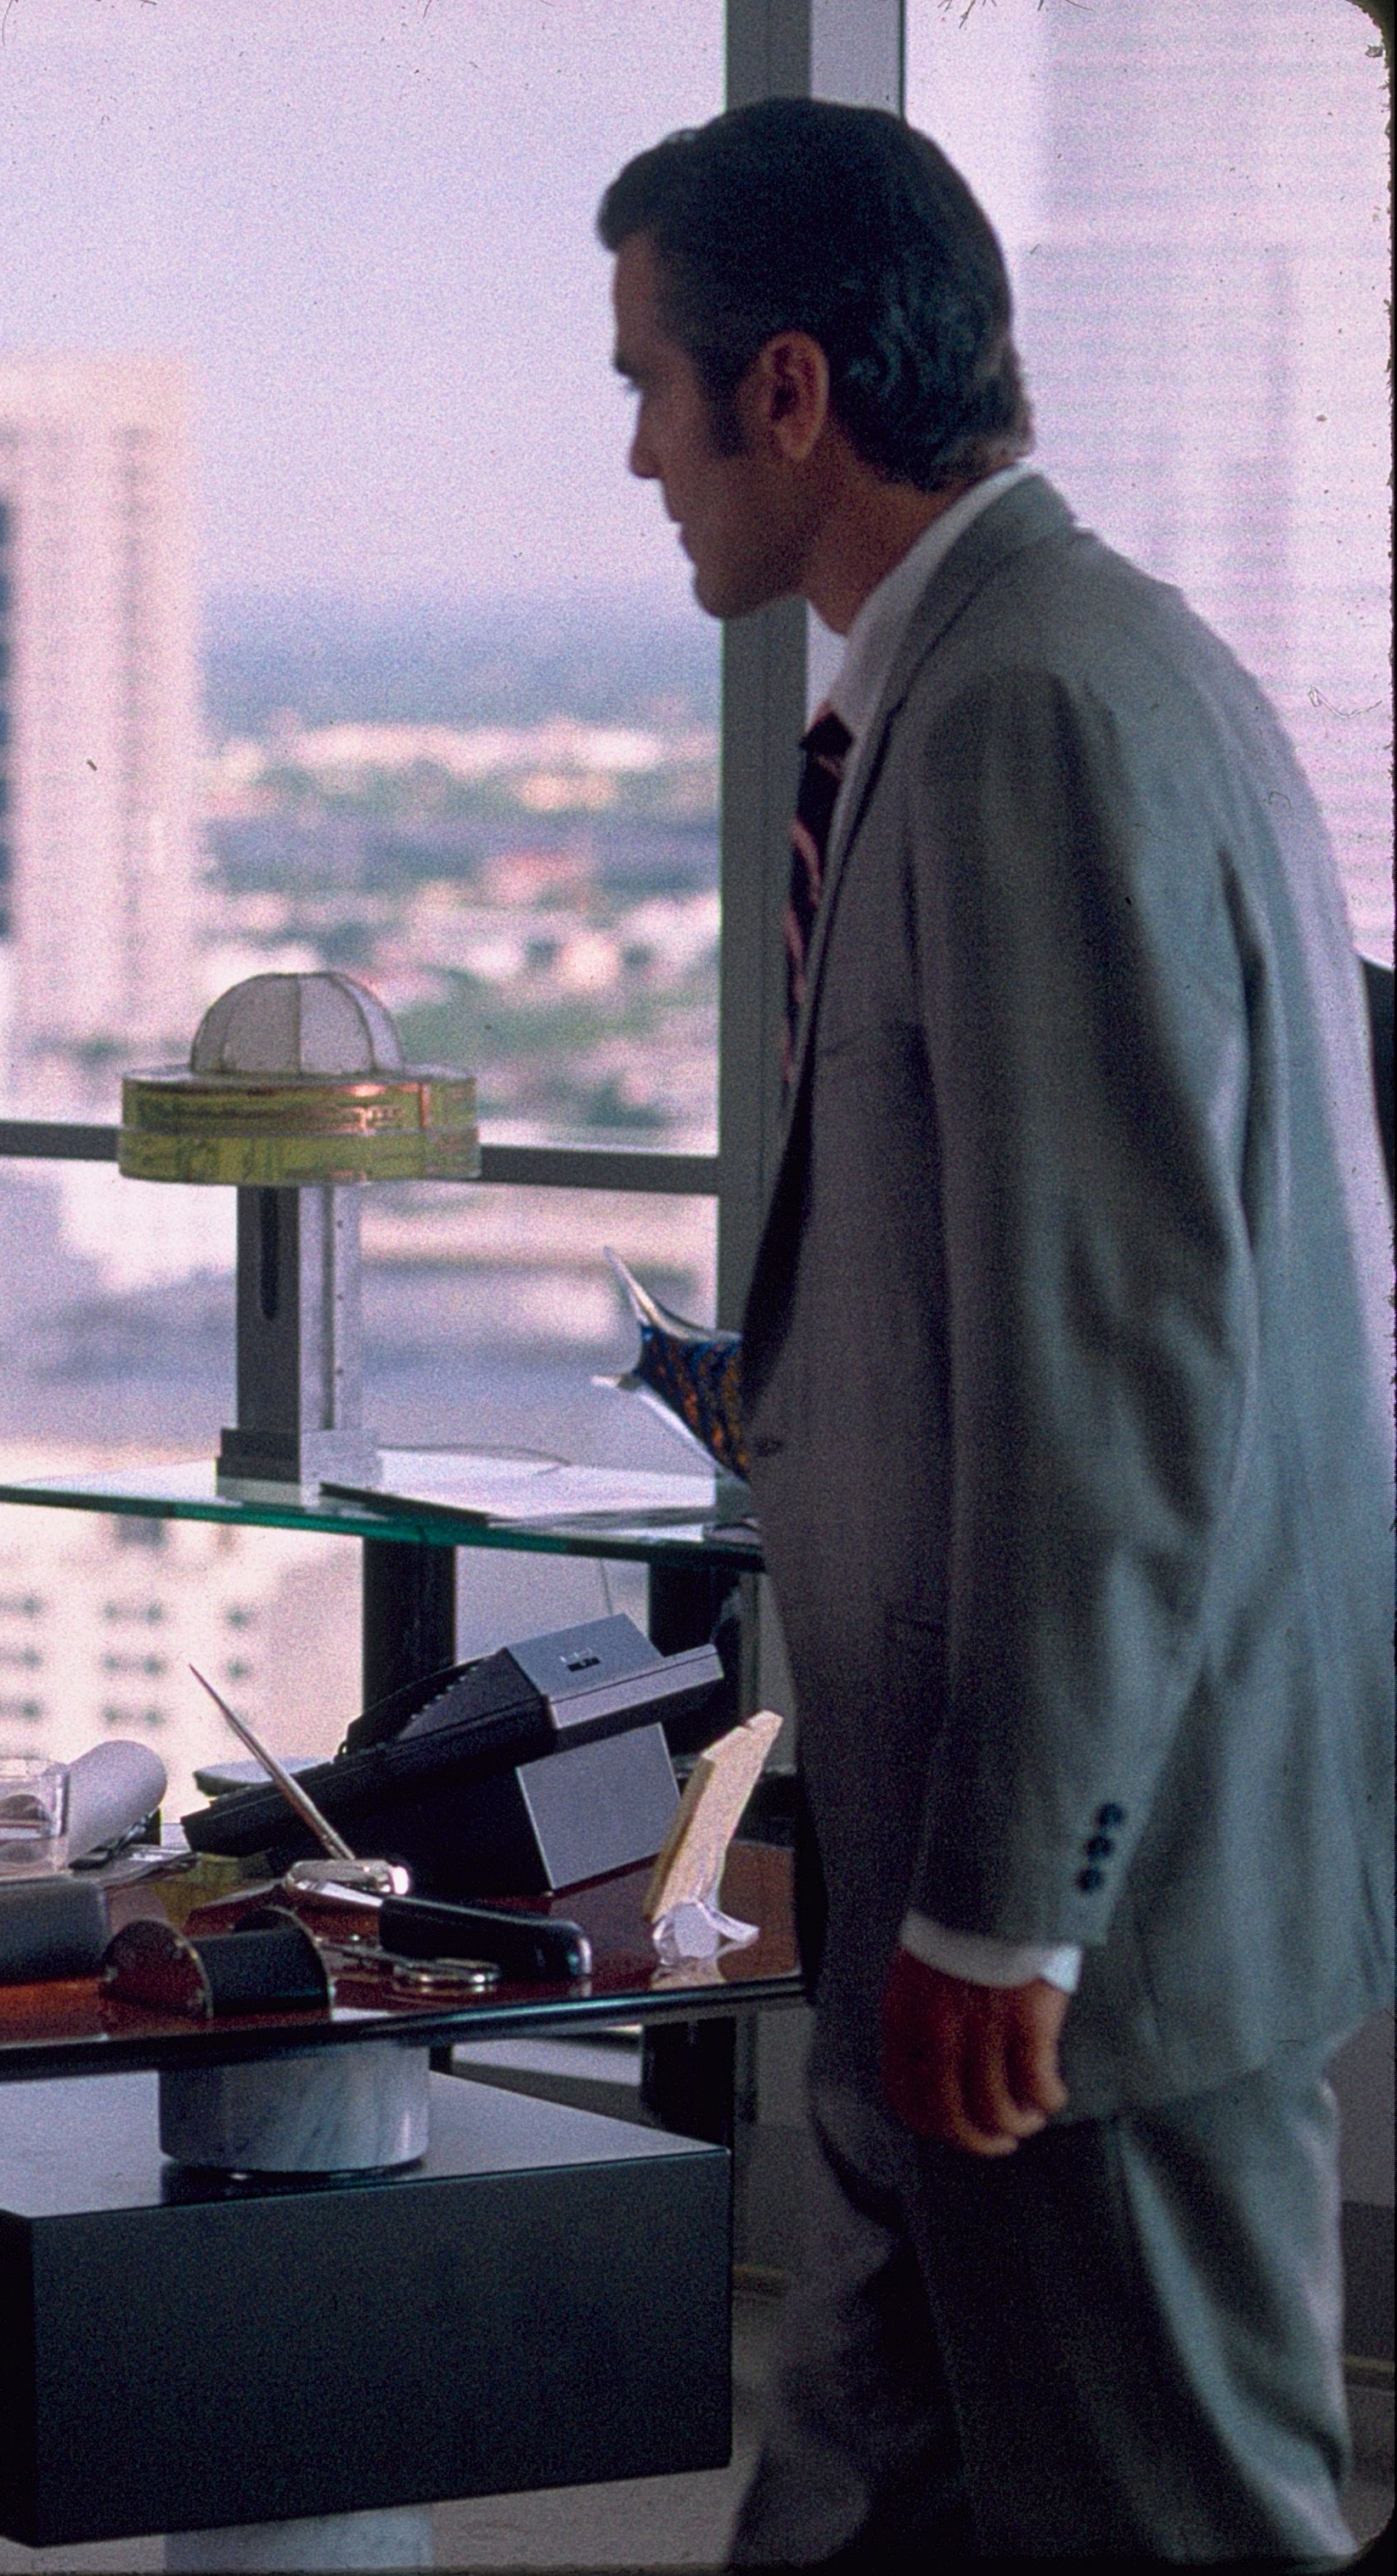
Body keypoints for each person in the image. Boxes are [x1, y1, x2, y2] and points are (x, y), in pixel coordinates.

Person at [595, 98, 1394, 2562]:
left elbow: (1124, 1368)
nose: (635, 458)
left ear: (789, 392)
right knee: (852, 2509)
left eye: (645, 386)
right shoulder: (1021, 675)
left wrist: (1004, 1908)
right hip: (964, 1885)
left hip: (1074, 1942)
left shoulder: (1033, 706)